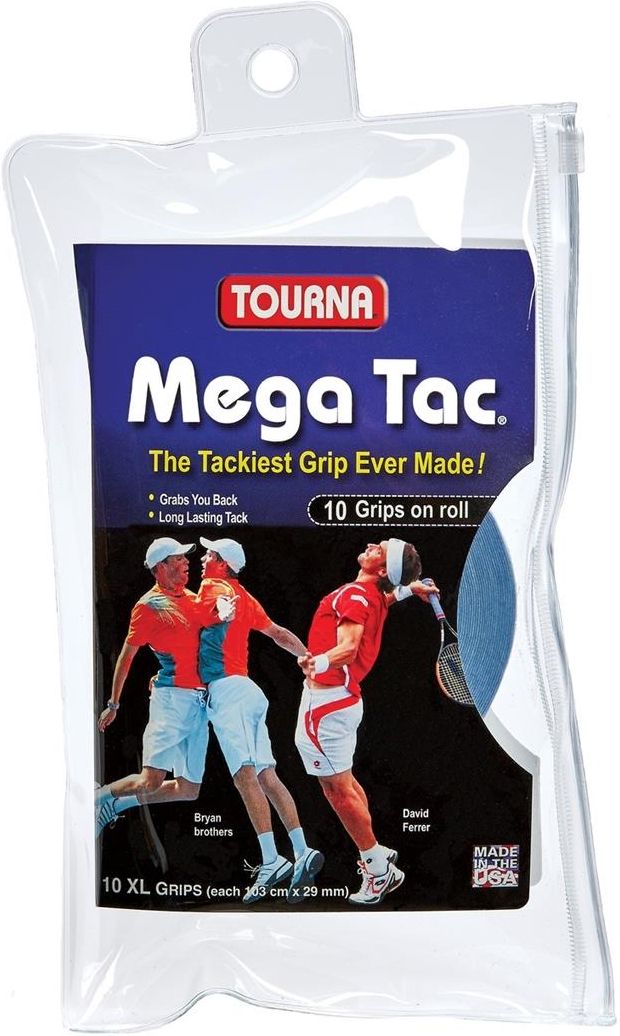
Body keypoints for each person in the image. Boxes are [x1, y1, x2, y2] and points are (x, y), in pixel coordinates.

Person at [295, 539, 438, 906]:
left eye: (380, 549)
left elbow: (348, 649)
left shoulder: (356, 596)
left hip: (326, 705)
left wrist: (318, 662)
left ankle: (377, 870)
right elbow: (383, 600)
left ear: (382, 568)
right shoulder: (371, 594)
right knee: (344, 784)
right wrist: (411, 589)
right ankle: (376, 852)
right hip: (340, 700)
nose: (373, 544)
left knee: (337, 793)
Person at [197, 537, 323, 905]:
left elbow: (207, 613)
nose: (203, 559)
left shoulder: (213, 586)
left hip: (227, 692)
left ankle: (271, 860)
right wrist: (308, 657)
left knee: (244, 776)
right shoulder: (245, 596)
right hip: (250, 693)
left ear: (223, 564)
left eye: (209, 554)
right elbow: (279, 634)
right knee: (267, 776)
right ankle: (301, 850)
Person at [95, 537, 235, 836]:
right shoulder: (147, 606)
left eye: (186, 558)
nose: (186, 562)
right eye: (179, 558)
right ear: (161, 567)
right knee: (150, 781)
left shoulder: (193, 598)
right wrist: (113, 704)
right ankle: (93, 800)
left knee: (188, 789)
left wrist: (224, 612)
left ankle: (114, 806)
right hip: (171, 701)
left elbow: (203, 641)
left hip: (199, 704)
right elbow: (126, 657)